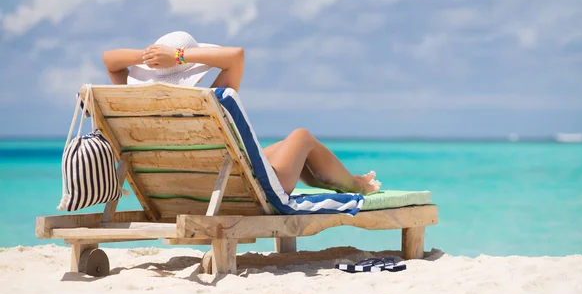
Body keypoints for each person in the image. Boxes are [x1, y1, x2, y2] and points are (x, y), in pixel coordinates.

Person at [102, 31, 381, 195]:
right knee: (301, 137)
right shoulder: (205, 102)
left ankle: (342, 181)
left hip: (186, 189)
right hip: (238, 189)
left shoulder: (135, 106)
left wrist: (147, 58)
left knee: (282, 149)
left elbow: (110, 61)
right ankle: (355, 186)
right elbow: (236, 55)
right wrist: (178, 57)